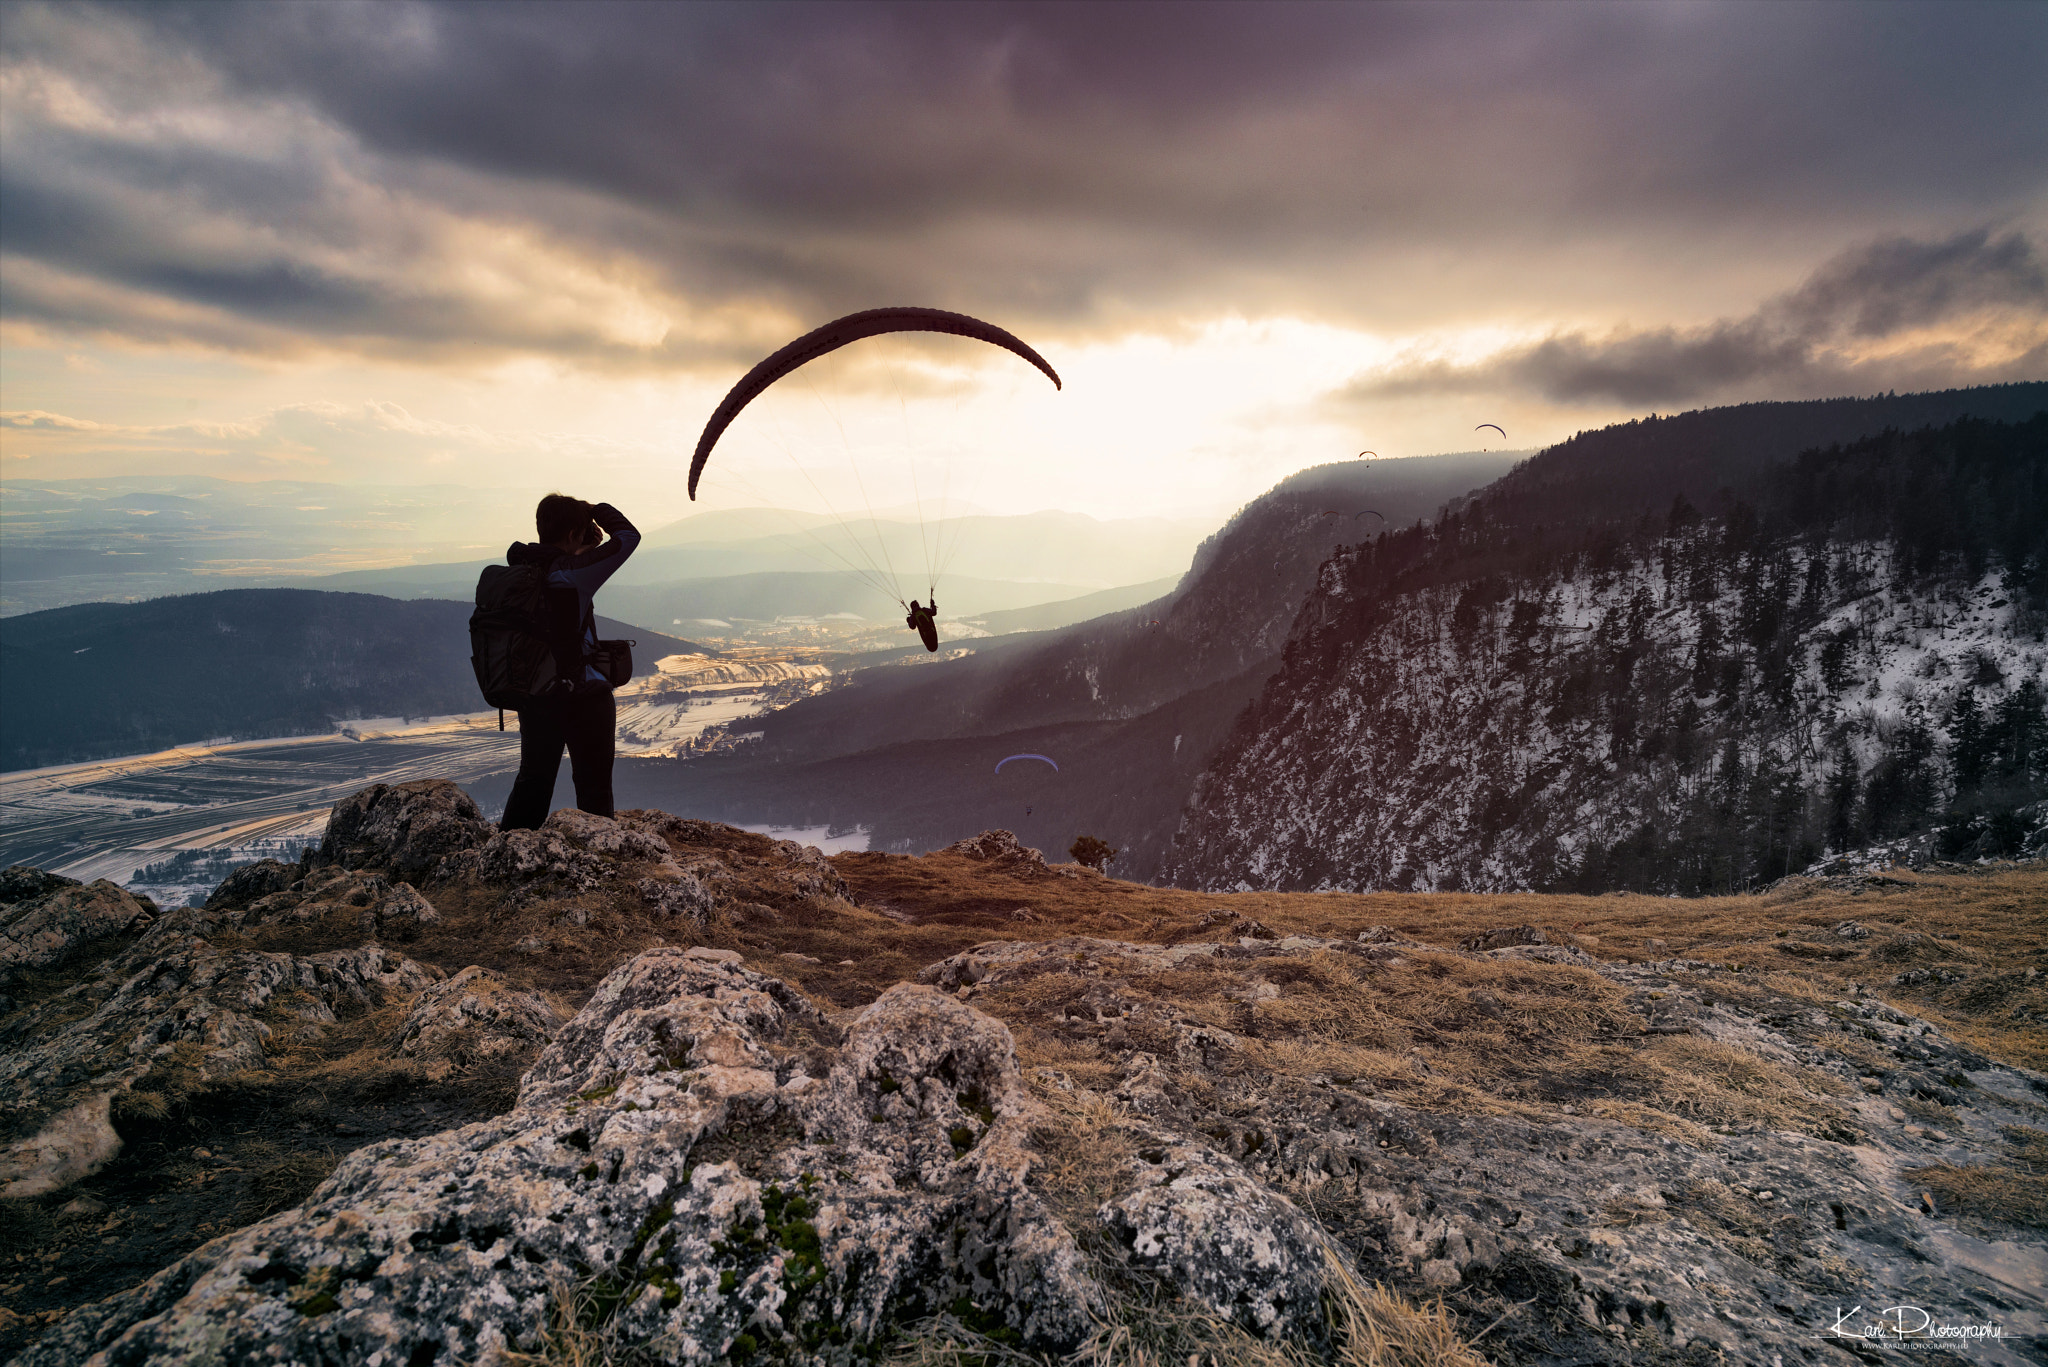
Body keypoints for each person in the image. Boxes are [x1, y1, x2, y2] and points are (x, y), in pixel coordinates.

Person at [499, 493, 641, 830]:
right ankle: (598, 858)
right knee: (593, 789)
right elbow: (628, 538)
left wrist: (580, 542)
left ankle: (509, 854)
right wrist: (594, 510)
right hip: (584, 698)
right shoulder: (572, 574)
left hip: (535, 694)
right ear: (575, 533)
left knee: (533, 780)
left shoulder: (524, 568)